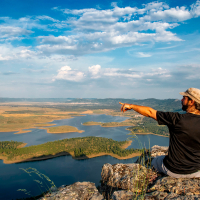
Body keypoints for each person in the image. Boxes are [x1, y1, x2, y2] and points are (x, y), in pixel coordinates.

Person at [119, 88, 200, 178]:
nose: (181, 99)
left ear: (191, 102)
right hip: (196, 171)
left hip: (173, 170)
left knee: (154, 160)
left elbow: (150, 112)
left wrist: (131, 106)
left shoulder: (177, 119)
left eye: (184, 98)